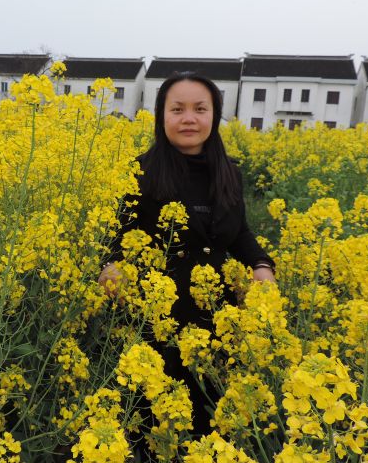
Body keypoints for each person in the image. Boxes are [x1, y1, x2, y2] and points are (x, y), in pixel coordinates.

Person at [98, 71, 275, 439]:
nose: (189, 119)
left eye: (200, 109)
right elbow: (118, 234)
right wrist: (111, 266)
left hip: (217, 319)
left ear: (214, 115)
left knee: (209, 419)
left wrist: (261, 265)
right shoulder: (141, 171)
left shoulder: (230, 173)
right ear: (162, 116)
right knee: (155, 423)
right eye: (177, 109)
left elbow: (239, 232)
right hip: (156, 320)